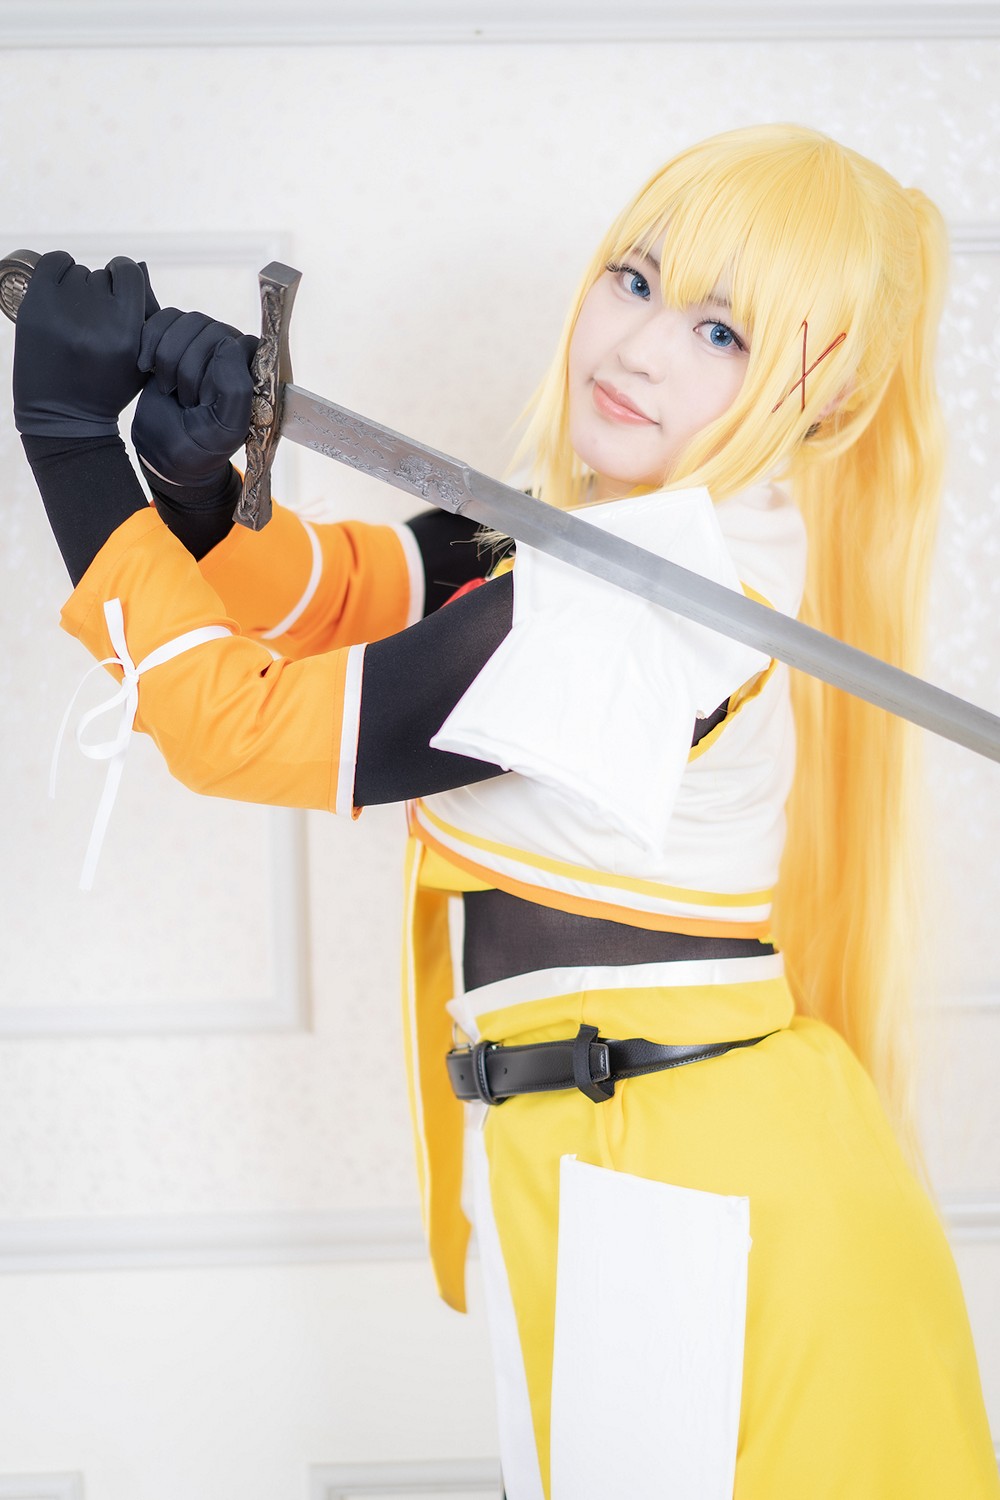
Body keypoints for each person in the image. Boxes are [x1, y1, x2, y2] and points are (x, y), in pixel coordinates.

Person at [12, 123, 999, 1498]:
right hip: (624, 1153)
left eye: (723, 333)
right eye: (637, 280)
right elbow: (349, 594)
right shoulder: (622, 533)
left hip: (680, 1187)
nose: (640, 348)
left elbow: (239, 728)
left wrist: (69, 446)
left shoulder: (647, 601)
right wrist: (192, 492)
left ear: (823, 406)